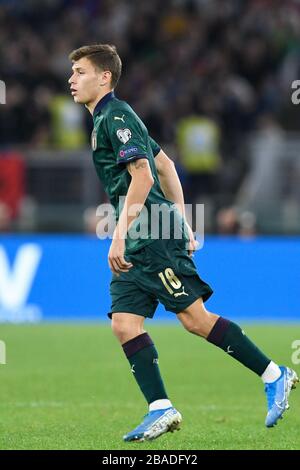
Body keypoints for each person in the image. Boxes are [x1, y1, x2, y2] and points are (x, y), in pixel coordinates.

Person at [68, 44, 298, 442]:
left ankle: (275, 374)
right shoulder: (106, 118)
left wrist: (120, 235)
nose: (71, 79)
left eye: (80, 71)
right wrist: (185, 220)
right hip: (147, 232)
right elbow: (166, 164)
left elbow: (143, 175)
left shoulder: (116, 115)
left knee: (195, 319)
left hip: (150, 236)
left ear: (104, 77)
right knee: (124, 324)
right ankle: (161, 408)